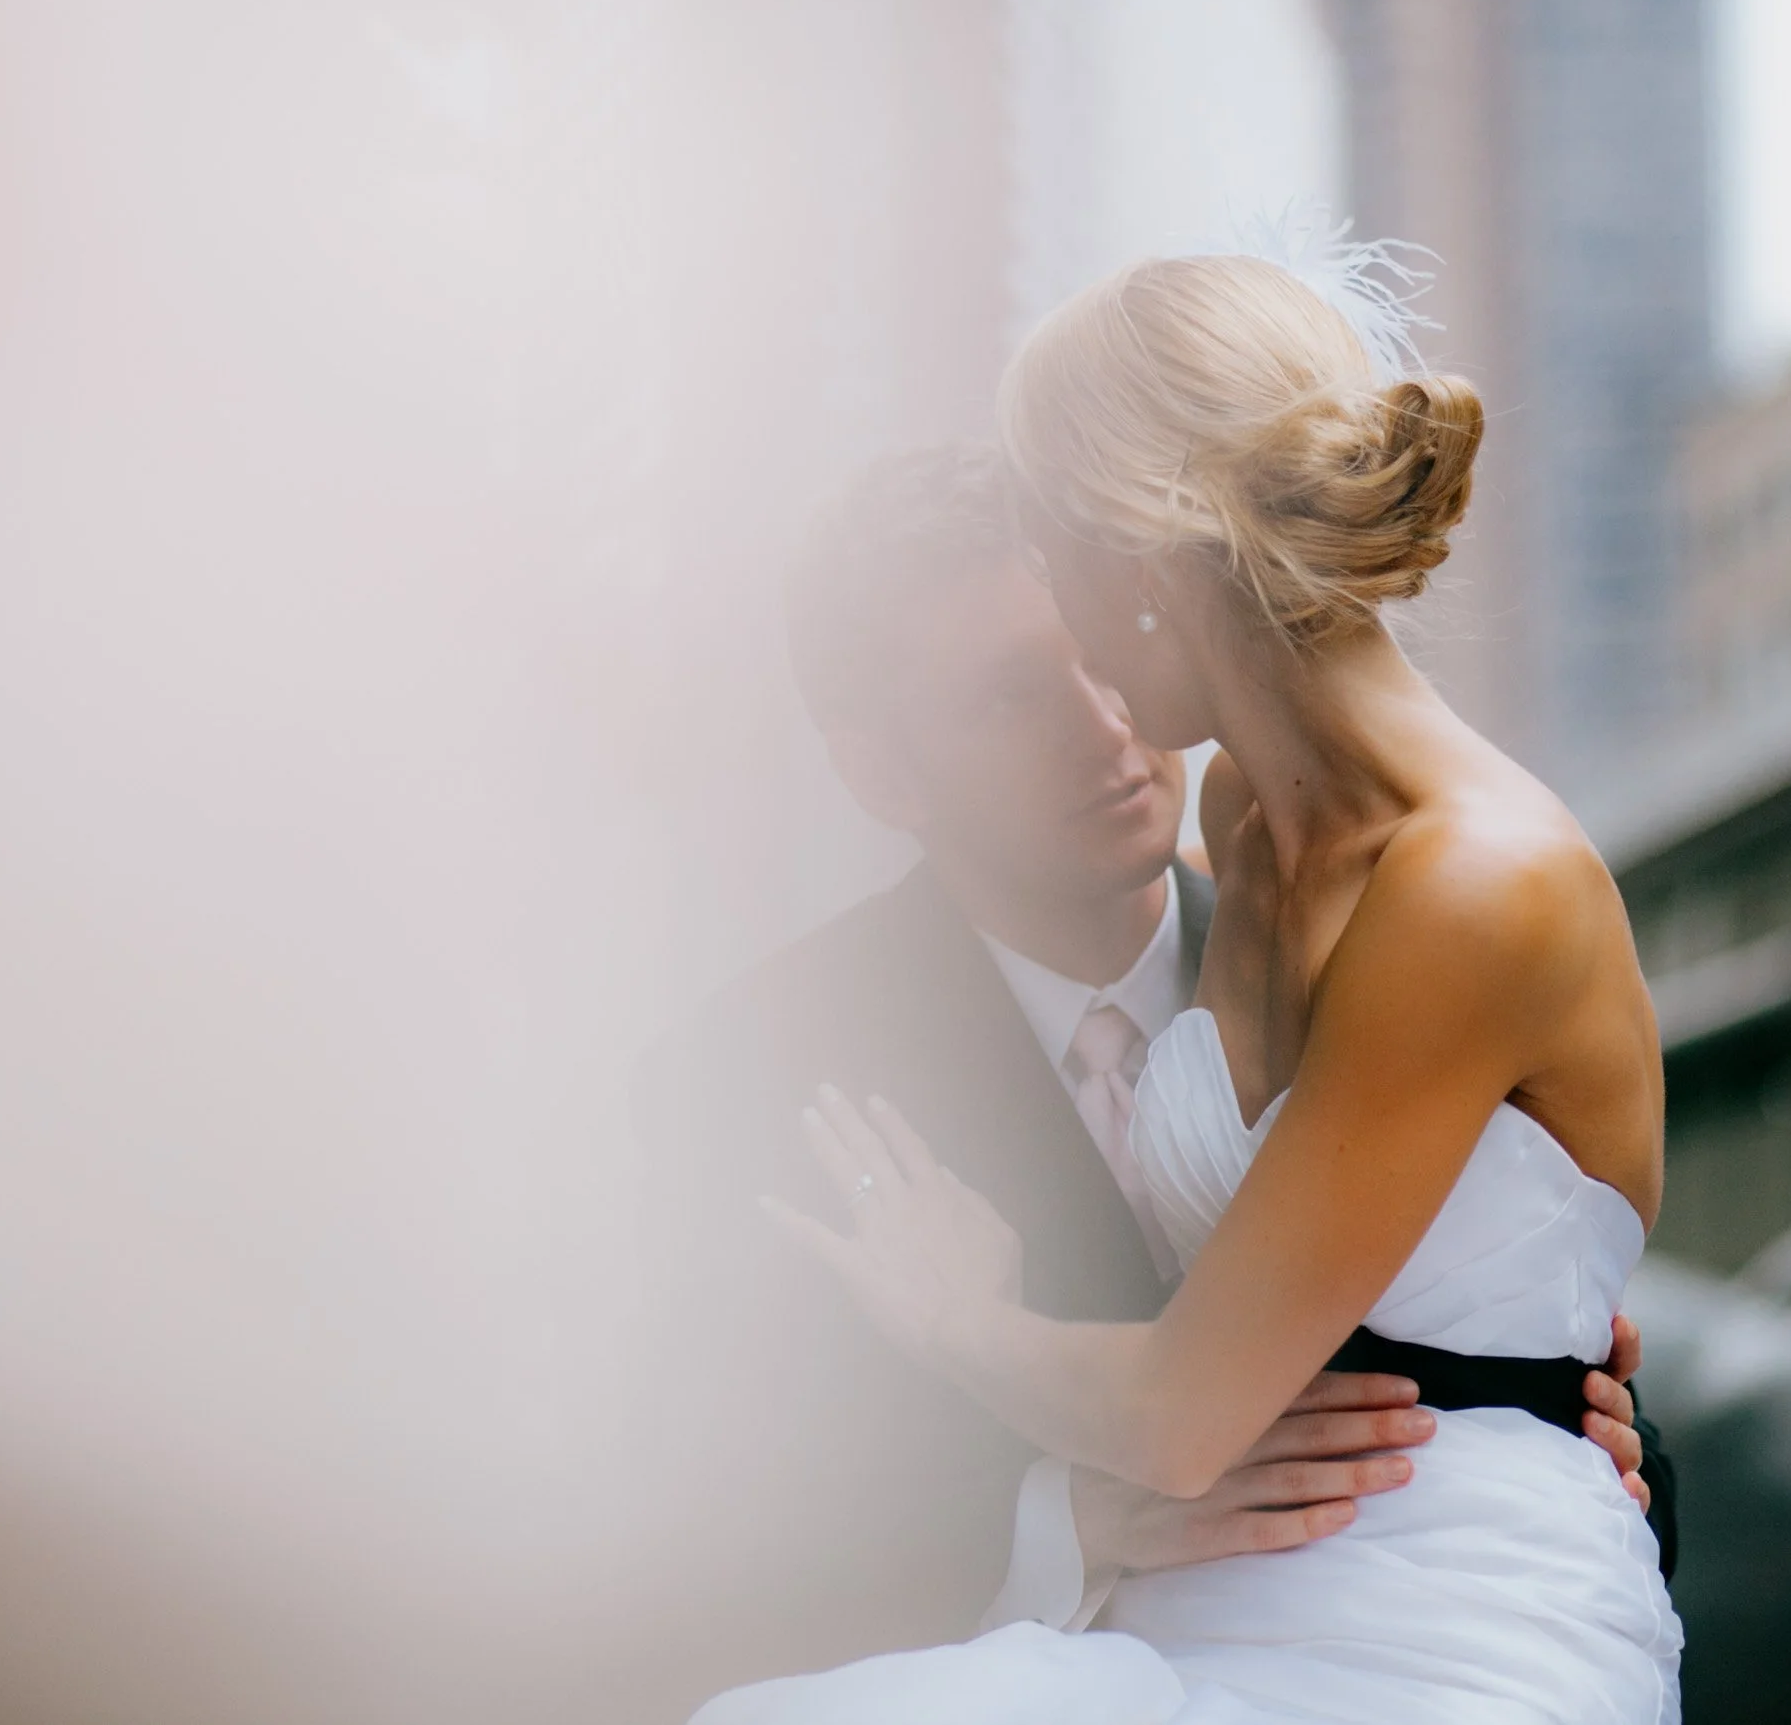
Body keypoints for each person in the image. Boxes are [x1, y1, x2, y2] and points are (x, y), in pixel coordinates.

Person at [695, 250, 1683, 1724]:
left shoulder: (1477, 888)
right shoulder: (1244, 827)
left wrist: (965, 1316)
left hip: (1437, 1640)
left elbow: (1186, 1409)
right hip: (1180, 1624)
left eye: (1052, 549)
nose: (1077, 662)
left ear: (1143, 556)